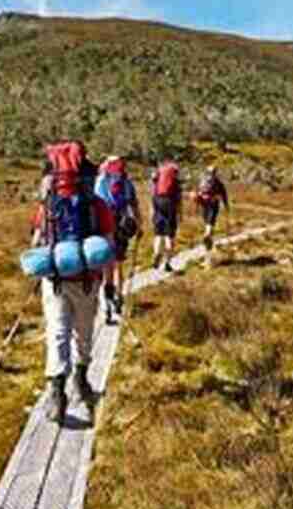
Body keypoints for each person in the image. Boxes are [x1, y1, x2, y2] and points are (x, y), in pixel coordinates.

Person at [31, 141, 116, 423]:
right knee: (84, 334)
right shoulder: (97, 206)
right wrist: (109, 283)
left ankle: (57, 393)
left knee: (57, 332)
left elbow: (37, 239)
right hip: (87, 282)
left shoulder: (48, 204)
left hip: (54, 279)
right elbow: (109, 245)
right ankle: (81, 381)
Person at [94, 155, 141, 324]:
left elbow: (93, 203)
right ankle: (119, 297)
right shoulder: (126, 182)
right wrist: (139, 225)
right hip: (121, 224)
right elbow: (134, 205)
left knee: (106, 264)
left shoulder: (100, 180)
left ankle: (105, 304)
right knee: (118, 264)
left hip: (102, 226)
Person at [149, 156, 182, 272]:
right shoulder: (176, 182)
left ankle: (157, 252)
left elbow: (152, 193)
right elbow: (179, 200)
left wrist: (151, 210)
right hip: (170, 204)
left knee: (158, 234)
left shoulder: (158, 177)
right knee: (170, 236)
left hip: (157, 202)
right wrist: (179, 215)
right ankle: (167, 263)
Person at [195, 165, 230, 262]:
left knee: (207, 222)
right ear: (215, 172)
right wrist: (226, 207)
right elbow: (224, 196)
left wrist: (197, 207)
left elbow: (198, 194)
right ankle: (207, 235)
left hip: (204, 204)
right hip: (213, 205)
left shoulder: (202, 181)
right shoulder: (218, 182)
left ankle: (207, 254)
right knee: (210, 224)